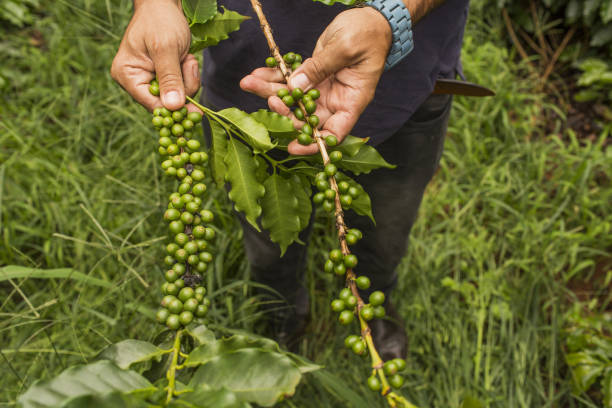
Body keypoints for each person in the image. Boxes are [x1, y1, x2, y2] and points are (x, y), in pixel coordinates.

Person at [111, 0, 469, 360]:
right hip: (248, 85)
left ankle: (375, 301)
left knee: (386, 230)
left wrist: (392, 15)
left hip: (408, 82)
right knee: (267, 239)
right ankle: (280, 311)